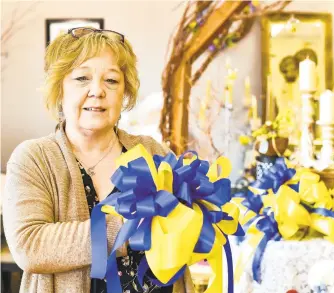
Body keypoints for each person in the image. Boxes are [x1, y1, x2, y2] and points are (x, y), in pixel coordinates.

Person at [3, 27, 194, 293]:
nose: (97, 91)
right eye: (82, 78)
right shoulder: (34, 158)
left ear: (124, 92)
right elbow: (30, 245)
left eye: (112, 81)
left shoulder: (153, 152)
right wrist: (126, 228)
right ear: (59, 88)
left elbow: (186, 225)